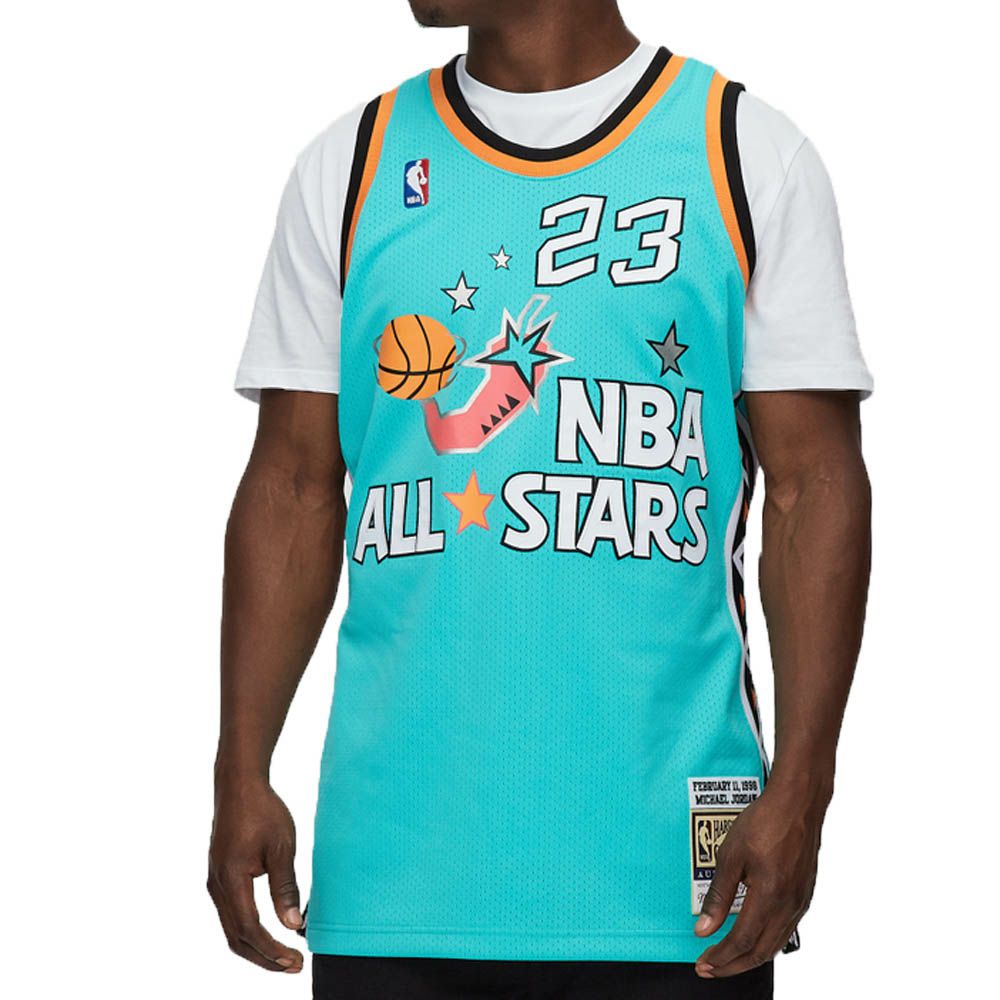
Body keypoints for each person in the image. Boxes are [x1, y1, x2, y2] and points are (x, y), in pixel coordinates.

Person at [208, 2, 873, 997]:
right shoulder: (350, 164)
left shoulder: (743, 151)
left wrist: (803, 789)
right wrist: (240, 768)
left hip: (671, 892)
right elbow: (294, 485)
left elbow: (814, 486)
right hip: (396, 877)